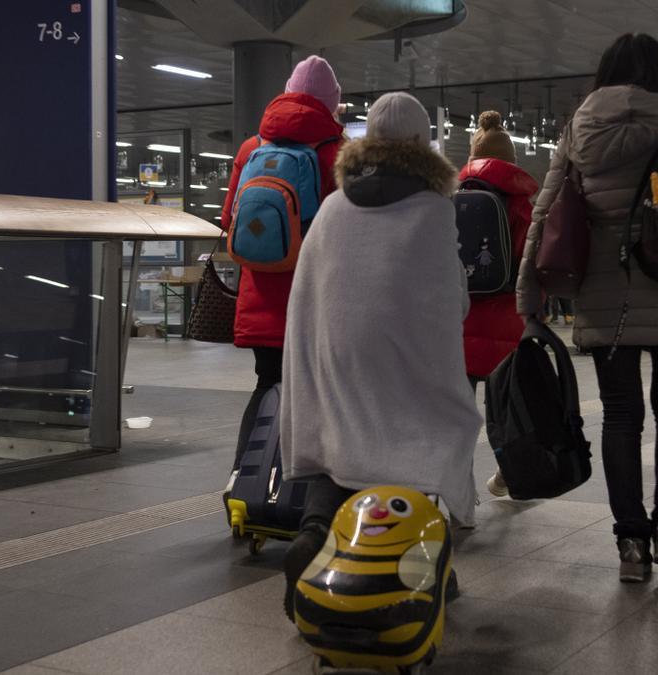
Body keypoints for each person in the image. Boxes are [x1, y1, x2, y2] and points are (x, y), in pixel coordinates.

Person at [515, 33, 658, 583]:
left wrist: (528, 298)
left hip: (604, 300)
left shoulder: (578, 130)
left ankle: (630, 545)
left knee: (622, 417)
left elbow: (543, 216)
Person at [278, 92, 481, 617]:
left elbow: (308, 291)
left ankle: (315, 530)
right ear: (421, 144)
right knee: (419, 440)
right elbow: (448, 300)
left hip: (336, 351)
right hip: (402, 355)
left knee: (339, 437)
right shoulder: (433, 208)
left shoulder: (333, 205)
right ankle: (420, 564)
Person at [219, 56, 345, 466]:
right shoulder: (339, 153)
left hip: (260, 296)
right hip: (315, 298)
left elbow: (228, 220)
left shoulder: (251, 147)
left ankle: (244, 479)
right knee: (317, 393)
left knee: (266, 384)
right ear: (331, 104)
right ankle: (302, 490)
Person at [457, 110, 539, 498]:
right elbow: (529, 259)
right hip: (507, 317)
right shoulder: (522, 204)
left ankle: (459, 488)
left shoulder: (453, 197)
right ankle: (509, 475)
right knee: (505, 408)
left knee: (458, 411)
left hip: (460, 317)